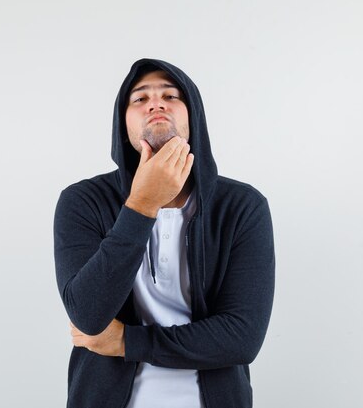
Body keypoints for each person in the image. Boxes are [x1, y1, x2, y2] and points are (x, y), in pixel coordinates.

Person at [53, 58, 275, 408]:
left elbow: (241, 338)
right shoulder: (82, 201)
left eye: (170, 95)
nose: (155, 103)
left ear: (193, 116)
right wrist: (141, 204)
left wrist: (127, 341)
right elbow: (88, 316)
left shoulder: (242, 207)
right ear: (121, 124)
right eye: (139, 99)